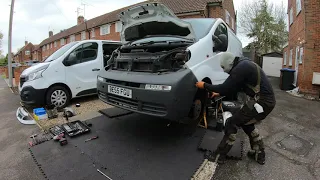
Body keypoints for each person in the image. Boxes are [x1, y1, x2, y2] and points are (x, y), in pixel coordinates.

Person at [195, 52, 276, 165]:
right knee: (246, 124)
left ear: (229, 62)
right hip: (265, 103)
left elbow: (225, 88)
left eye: (223, 67)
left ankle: (219, 155)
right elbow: (233, 88)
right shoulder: (244, 65)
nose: (223, 70)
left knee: (232, 123)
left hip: (261, 103)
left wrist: (204, 85)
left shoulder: (241, 67)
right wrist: (217, 92)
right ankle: (259, 153)